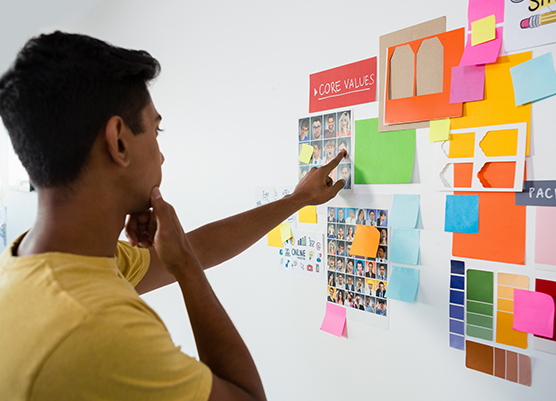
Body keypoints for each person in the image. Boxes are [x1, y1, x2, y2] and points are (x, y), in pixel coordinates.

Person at [0, 31, 349, 400]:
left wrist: (295, 200)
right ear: (118, 142)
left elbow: (200, 247)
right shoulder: (95, 326)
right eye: (156, 129)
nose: (162, 154)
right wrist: (185, 265)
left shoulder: (36, 265)